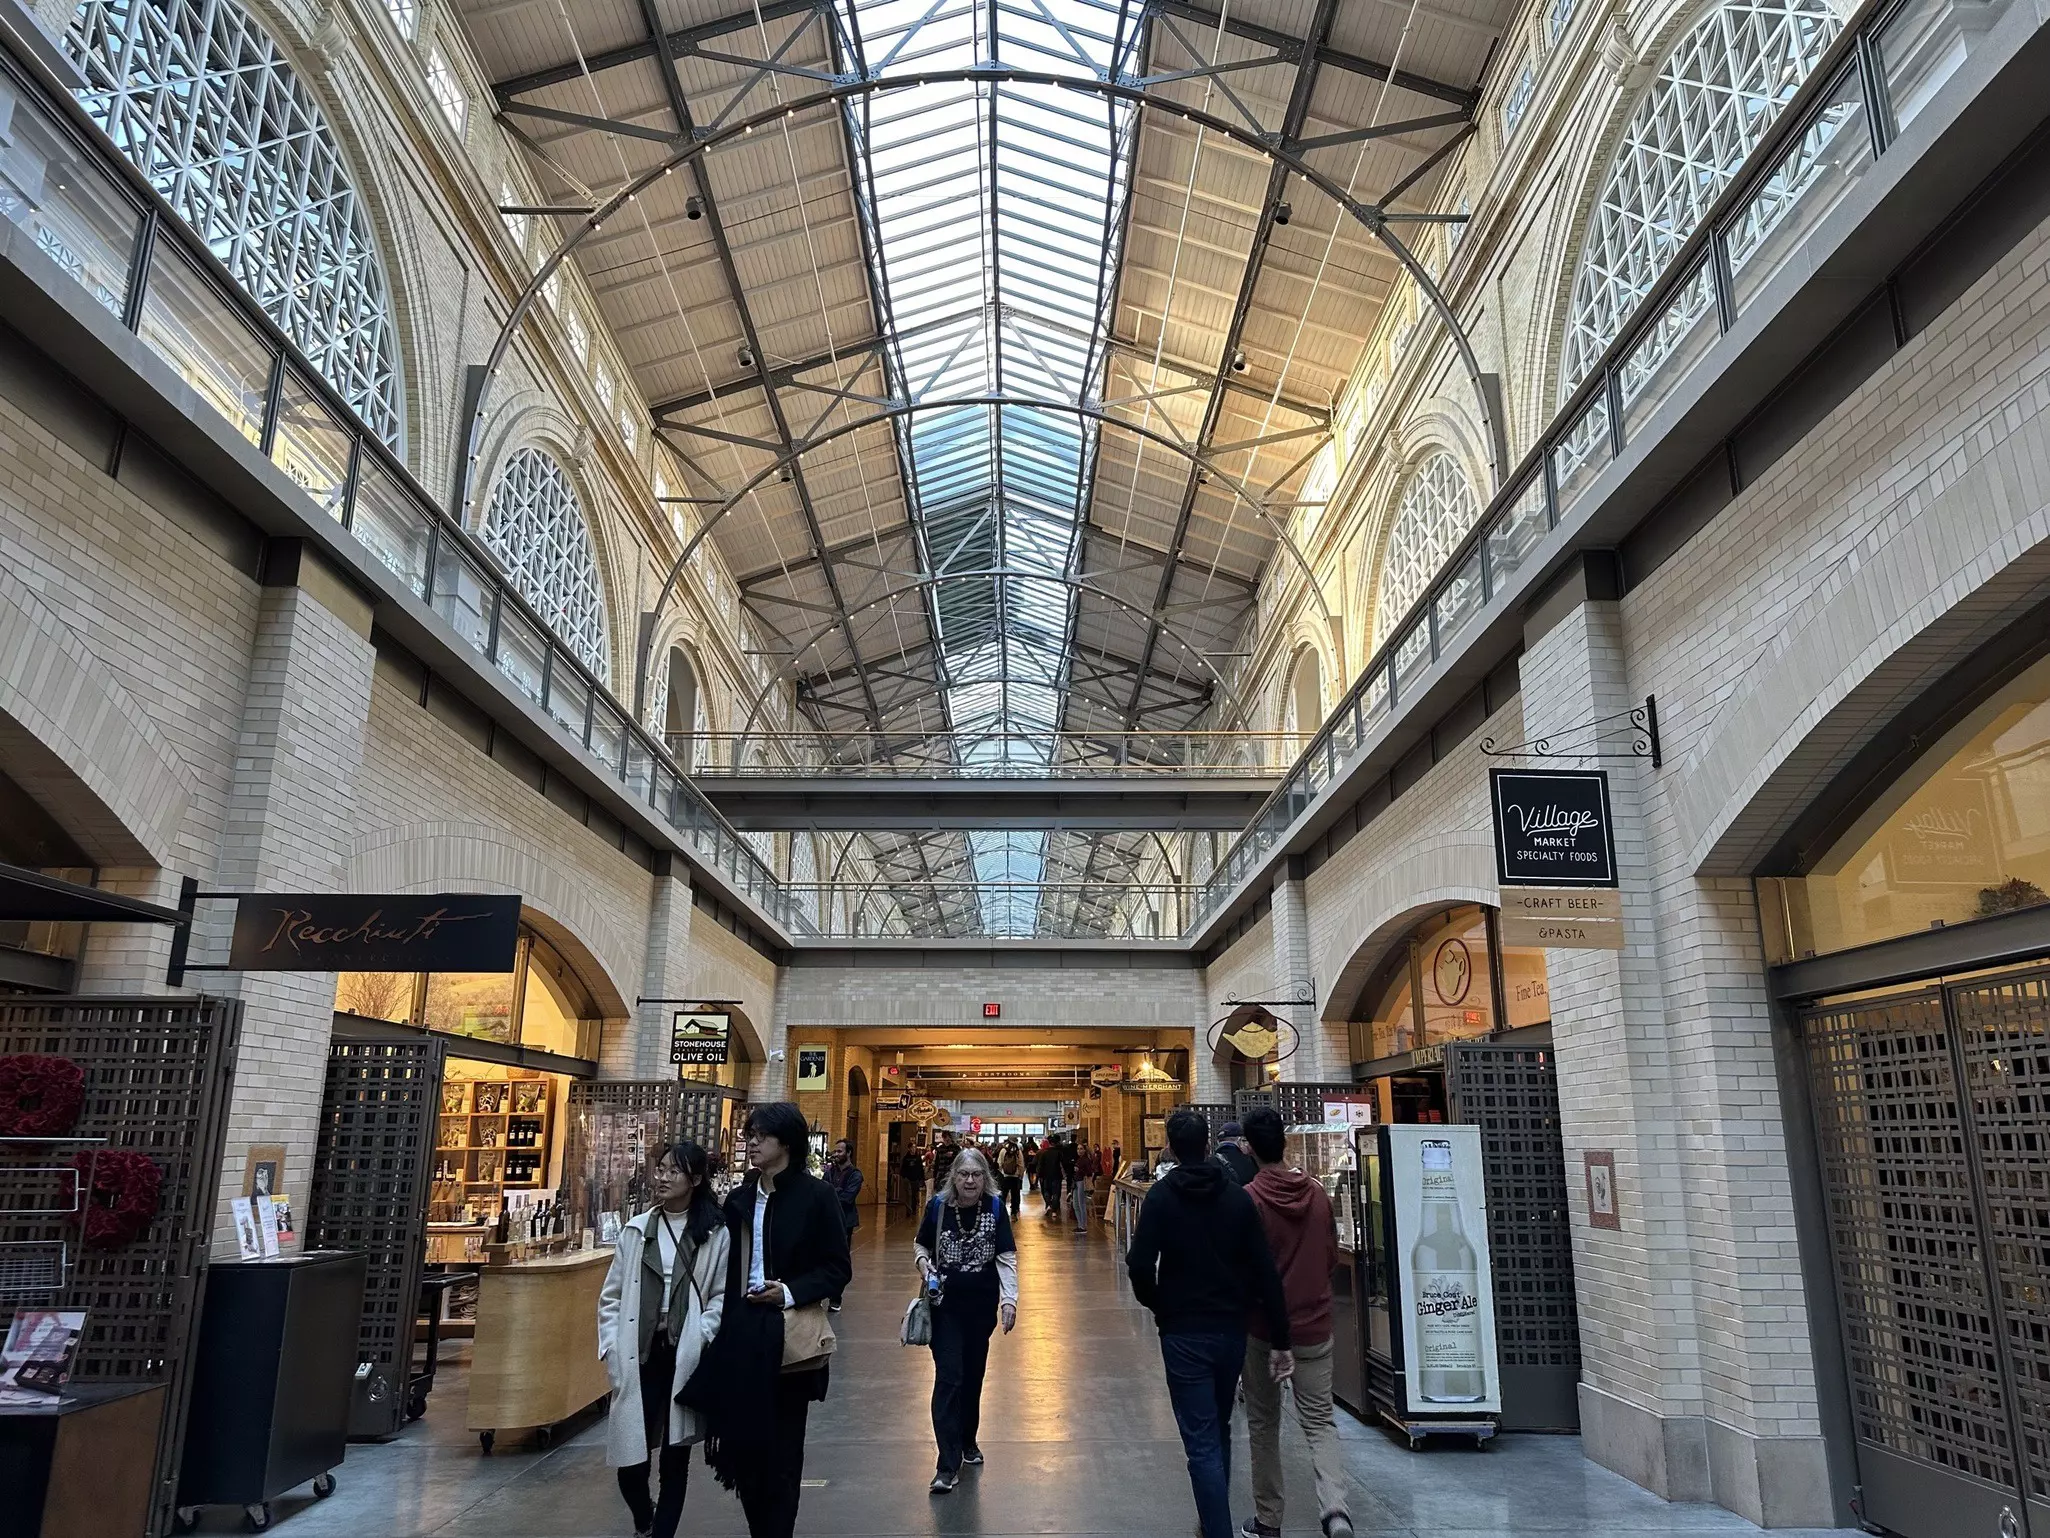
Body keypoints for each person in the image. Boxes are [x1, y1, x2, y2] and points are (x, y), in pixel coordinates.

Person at [687, 1103, 852, 1538]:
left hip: (789, 1336)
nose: (753, 1143)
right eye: (750, 1135)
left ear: (788, 1143)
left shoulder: (817, 1197)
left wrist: (789, 1291)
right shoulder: (739, 1199)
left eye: (761, 1136)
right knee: (743, 1445)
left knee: (783, 1450)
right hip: (741, 1333)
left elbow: (837, 1268)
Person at [1126, 1108, 1293, 1538]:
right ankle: (1212, 1517)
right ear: (1206, 1145)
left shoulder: (1161, 1198)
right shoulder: (1237, 1198)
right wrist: (1280, 1336)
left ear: (1170, 1147)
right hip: (1230, 1329)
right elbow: (1264, 1270)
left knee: (1200, 1439)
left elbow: (1139, 1264)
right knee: (1219, 1426)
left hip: (1183, 1332)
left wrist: (1160, 1305)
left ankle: (1216, 1527)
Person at [598, 1140, 730, 1538]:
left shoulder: (714, 1233)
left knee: (675, 1459)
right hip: (641, 1353)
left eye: (674, 1171)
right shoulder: (638, 1231)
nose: (663, 1178)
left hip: (684, 1354)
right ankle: (645, 1518)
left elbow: (722, 1295)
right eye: (661, 1169)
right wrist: (611, 1347)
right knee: (630, 1460)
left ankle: (662, 1533)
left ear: (696, 1179)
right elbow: (612, 1296)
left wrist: (702, 1333)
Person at [1236, 1108, 1351, 1538]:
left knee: (1264, 1423)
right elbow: (1330, 1255)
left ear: (1249, 1148)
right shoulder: (1318, 1194)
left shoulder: (1250, 1199)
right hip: (1314, 1325)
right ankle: (1335, 1509)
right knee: (1319, 1421)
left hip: (1264, 1330)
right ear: (1284, 1142)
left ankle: (1269, 1519)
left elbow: (1246, 1271)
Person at [915, 1147, 1017, 1493]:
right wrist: (923, 1265)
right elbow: (921, 1245)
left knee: (972, 1377)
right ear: (954, 1177)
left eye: (976, 1175)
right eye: (963, 1174)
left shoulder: (995, 1208)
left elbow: (1006, 1257)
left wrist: (1009, 1300)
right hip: (944, 1307)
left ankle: (967, 1439)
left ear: (985, 1178)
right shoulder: (938, 1207)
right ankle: (947, 1464)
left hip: (980, 1309)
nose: (969, 1181)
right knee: (949, 1378)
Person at [824, 1138, 863, 1311]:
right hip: (826, 1221)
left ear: (848, 1153)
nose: (836, 1154)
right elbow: (822, 1192)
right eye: (835, 1151)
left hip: (844, 1222)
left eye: (840, 1151)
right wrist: (836, 1192)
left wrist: (833, 1193)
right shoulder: (830, 1172)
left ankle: (835, 1297)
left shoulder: (855, 1174)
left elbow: (847, 1198)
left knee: (840, 1259)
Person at [1039, 1134, 1065, 1223]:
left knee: (1046, 1191)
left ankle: (1049, 1205)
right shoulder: (1059, 1153)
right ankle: (1054, 1211)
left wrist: (1040, 1175)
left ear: (1049, 1142)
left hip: (1046, 1176)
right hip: (1057, 1175)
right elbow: (1063, 1164)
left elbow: (1041, 1165)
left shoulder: (1044, 1153)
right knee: (1056, 1193)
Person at [995, 1139, 1024, 1218]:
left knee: (1003, 1195)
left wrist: (1003, 1172)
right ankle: (1014, 1213)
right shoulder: (1018, 1151)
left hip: (1005, 1177)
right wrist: (1020, 1175)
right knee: (1015, 1195)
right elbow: (1021, 1165)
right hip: (1015, 1177)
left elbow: (999, 1163)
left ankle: (1002, 1212)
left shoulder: (1003, 1150)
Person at [899, 1144, 926, 1218]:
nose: (914, 1149)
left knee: (914, 1195)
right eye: (912, 1147)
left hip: (915, 1179)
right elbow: (903, 1168)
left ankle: (914, 1209)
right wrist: (904, 1176)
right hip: (908, 1178)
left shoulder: (918, 1158)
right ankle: (908, 1210)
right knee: (908, 1195)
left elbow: (920, 1168)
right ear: (909, 1148)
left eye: (914, 1147)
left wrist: (921, 1178)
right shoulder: (906, 1158)